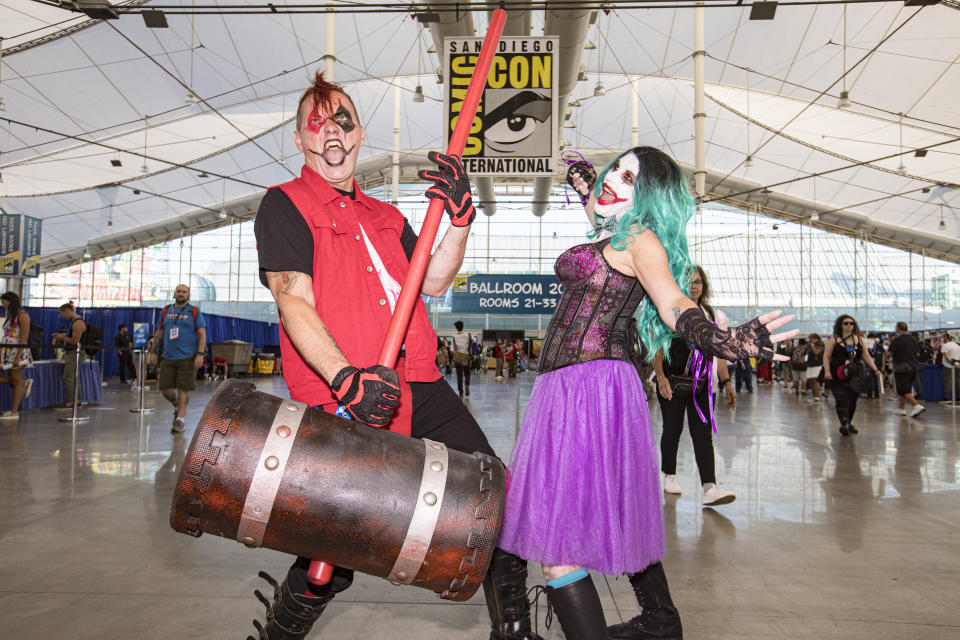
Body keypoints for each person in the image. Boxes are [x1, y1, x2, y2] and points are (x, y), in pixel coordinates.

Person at [251, 72, 541, 640]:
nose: (331, 131)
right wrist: (346, 379)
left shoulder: (388, 218)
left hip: (419, 378)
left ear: (360, 135)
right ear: (298, 138)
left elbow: (432, 280)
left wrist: (458, 223)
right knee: (335, 550)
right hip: (347, 394)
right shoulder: (284, 205)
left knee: (495, 496)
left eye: (343, 120)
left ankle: (515, 632)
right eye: (317, 122)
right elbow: (293, 298)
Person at [498, 147, 795, 639]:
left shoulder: (639, 238)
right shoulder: (612, 229)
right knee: (562, 538)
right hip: (561, 388)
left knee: (560, 549)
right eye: (616, 167)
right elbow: (597, 208)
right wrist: (584, 183)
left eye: (629, 176)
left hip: (591, 388)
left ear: (649, 195)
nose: (614, 178)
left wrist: (726, 341)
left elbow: (674, 303)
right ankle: (659, 620)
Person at [654, 265, 737, 507]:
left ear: (704, 286)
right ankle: (669, 475)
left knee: (703, 434)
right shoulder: (670, 310)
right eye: (689, 281)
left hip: (702, 385)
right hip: (673, 381)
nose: (694, 286)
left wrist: (726, 381)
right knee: (672, 429)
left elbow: (718, 353)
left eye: (698, 282)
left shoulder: (710, 314)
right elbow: (657, 346)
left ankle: (709, 487)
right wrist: (660, 377)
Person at [148, 284, 206, 434]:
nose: (181, 294)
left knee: (183, 389)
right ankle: (178, 405)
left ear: (188, 295)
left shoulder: (194, 311)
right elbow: (160, 332)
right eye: (178, 291)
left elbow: (202, 333)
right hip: (168, 356)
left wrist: (200, 354)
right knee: (165, 388)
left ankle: (180, 420)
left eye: (184, 292)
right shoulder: (167, 310)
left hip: (188, 357)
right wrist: (153, 351)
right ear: (174, 294)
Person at [823, 315, 882, 436]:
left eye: (851, 323)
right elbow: (827, 356)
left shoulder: (859, 340)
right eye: (846, 323)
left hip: (854, 373)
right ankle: (844, 422)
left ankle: (848, 422)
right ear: (840, 325)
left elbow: (866, 356)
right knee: (841, 397)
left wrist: (875, 369)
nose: (849, 325)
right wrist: (827, 371)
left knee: (852, 399)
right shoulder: (833, 340)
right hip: (836, 373)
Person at [0, 292, 34, 419]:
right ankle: (23, 383)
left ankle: (14, 411)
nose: (2, 305)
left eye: (4, 302)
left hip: (18, 352)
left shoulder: (23, 316)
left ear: (11, 301)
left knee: (15, 379)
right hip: (7, 351)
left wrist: (18, 356)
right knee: (15, 380)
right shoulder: (10, 315)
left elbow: (24, 338)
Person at [51, 302, 86, 410]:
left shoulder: (77, 323)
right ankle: (77, 401)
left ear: (67, 310)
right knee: (74, 377)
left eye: (62, 313)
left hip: (75, 353)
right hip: (73, 353)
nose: (62, 316)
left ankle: (71, 402)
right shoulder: (74, 322)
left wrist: (62, 338)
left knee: (68, 377)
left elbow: (75, 341)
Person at [889, 322, 925, 417]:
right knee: (905, 388)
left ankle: (916, 405)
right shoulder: (913, 339)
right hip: (913, 367)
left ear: (898, 329)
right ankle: (901, 409)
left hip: (902, 367)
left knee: (904, 389)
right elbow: (917, 354)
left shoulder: (897, 340)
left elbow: (890, 353)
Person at [451, 320, 472, 398]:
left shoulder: (454, 336)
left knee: (459, 376)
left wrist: (453, 357)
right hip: (466, 357)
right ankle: (467, 385)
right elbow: (474, 341)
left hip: (458, 358)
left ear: (456, 328)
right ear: (463, 326)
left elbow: (451, 349)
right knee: (467, 374)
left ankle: (461, 392)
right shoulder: (468, 335)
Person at [805, 333, 825, 404]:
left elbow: (816, 352)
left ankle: (817, 397)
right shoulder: (810, 345)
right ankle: (814, 397)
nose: (810, 340)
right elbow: (804, 351)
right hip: (810, 365)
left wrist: (813, 345)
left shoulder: (820, 344)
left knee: (815, 381)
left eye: (811, 338)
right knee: (811, 381)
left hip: (817, 365)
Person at [941, 332, 960, 405]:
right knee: (958, 381)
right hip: (958, 365)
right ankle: (959, 398)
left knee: (947, 381)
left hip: (948, 366)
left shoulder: (945, 346)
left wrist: (953, 364)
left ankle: (947, 398)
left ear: (946, 338)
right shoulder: (957, 346)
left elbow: (947, 357)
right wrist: (958, 364)